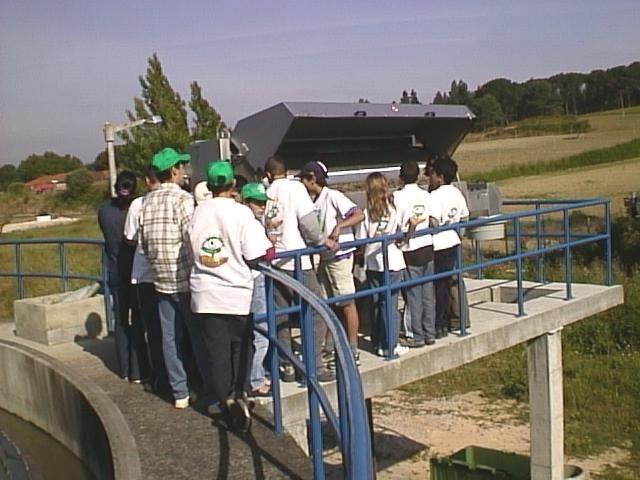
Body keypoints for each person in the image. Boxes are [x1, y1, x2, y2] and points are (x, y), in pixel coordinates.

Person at [190, 162, 274, 431]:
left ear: (210, 185)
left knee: (216, 351)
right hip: (236, 292)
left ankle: (225, 399)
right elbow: (256, 252)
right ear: (233, 185)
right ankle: (241, 394)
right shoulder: (240, 213)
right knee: (242, 347)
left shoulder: (197, 213)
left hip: (205, 292)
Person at [263, 155, 338, 383]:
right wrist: (322, 241)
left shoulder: (264, 193)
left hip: (274, 262)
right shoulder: (294, 189)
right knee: (317, 311)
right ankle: (313, 366)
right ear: (286, 171)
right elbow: (308, 223)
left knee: (281, 315)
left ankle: (287, 365)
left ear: (267, 175)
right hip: (297, 262)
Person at [140, 147, 202, 409]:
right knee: (198, 336)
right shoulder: (183, 199)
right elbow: (193, 237)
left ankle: (179, 392)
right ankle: (206, 386)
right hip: (186, 278)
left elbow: (143, 242)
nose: (185, 171)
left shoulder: (146, 202)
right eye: (182, 167)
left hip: (160, 280)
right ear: (173, 171)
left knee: (170, 338)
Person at [297, 161, 364, 364]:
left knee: (346, 301)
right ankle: (329, 345)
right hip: (324, 257)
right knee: (326, 302)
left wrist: (339, 226)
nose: (301, 182)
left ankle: (353, 349)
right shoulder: (312, 200)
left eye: (303, 178)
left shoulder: (333, 196)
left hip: (340, 256)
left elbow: (358, 214)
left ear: (312, 178)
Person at [98, 171, 148, 382]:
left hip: (115, 271)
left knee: (120, 320)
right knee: (137, 319)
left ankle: (124, 368)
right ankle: (139, 370)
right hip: (135, 271)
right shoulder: (136, 210)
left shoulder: (104, 212)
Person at [123, 166, 168, 395]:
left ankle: (160, 379)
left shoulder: (137, 205)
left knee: (154, 330)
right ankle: (181, 379)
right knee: (173, 330)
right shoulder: (177, 200)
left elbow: (129, 238)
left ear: (147, 180)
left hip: (145, 276)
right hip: (172, 274)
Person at [355, 172, 409, 357]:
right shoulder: (393, 209)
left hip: (373, 263)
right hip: (392, 261)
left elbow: (361, 239)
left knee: (378, 304)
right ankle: (390, 344)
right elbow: (402, 230)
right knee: (390, 305)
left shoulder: (366, 213)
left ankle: (378, 341)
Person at [394, 161, 439, 348]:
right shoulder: (426, 195)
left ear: (400, 176)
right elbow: (433, 220)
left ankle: (417, 335)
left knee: (413, 295)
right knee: (428, 293)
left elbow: (396, 224)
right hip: (427, 246)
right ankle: (430, 333)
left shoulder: (397, 196)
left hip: (410, 248)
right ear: (419, 175)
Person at [428, 157, 469, 338]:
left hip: (438, 245)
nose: (430, 177)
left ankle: (440, 323)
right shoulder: (457, 193)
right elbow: (464, 217)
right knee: (448, 282)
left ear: (440, 177)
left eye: (433, 174)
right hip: (453, 242)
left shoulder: (435, 196)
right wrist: (458, 233)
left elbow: (434, 221)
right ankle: (450, 321)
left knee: (439, 287)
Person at [240, 182, 272, 397]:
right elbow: (266, 254)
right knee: (261, 332)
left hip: (239, 282)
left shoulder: (239, 220)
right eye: (257, 202)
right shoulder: (251, 224)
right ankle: (256, 379)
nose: (262, 207)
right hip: (254, 279)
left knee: (246, 332)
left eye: (264, 202)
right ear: (246, 202)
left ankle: (250, 376)